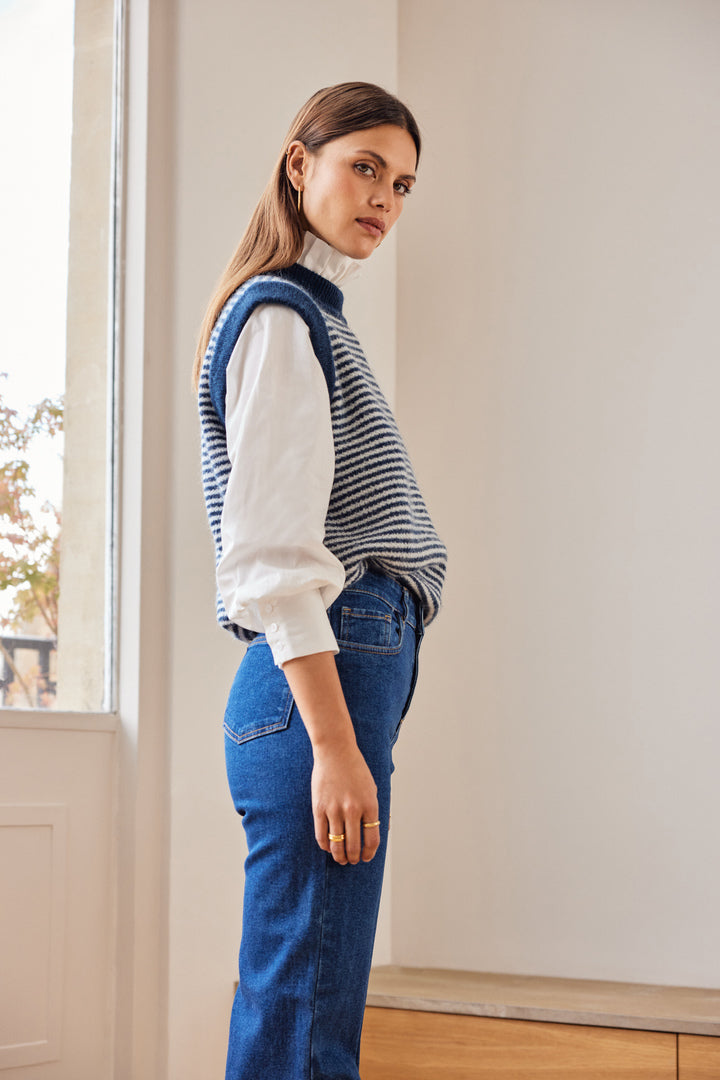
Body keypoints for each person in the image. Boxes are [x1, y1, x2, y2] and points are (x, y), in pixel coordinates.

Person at [194, 82, 447, 1080]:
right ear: (300, 165)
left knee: (305, 1012)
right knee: (304, 1024)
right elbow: (268, 552)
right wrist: (337, 746)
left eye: (404, 183)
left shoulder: (309, 320)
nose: (384, 195)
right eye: (365, 166)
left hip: (323, 690)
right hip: (317, 695)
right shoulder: (283, 318)